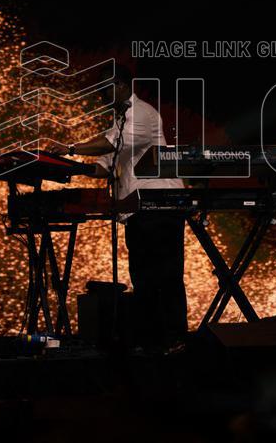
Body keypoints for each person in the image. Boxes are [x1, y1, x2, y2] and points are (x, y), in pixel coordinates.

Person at [51, 66, 187, 351]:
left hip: (159, 203)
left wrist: (71, 149)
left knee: (166, 276)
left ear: (122, 86)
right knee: (143, 278)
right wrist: (71, 167)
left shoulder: (142, 113)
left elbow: (111, 144)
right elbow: (105, 166)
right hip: (137, 207)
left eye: (105, 89)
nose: (101, 95)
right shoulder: (122, 119)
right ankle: (153, 343)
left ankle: (176, 341)